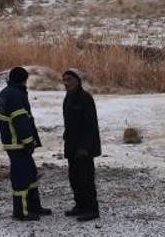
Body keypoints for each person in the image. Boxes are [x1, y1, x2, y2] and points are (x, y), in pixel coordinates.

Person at [0, 66, 52, 221]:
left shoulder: (5, 93)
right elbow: (20, 121)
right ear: (24, 79)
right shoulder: (16, 95)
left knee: (31, 174)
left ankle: (34, 207)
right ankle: (21, 212)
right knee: (21, 178)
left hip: (12, 142)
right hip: (18, 143)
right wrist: (29, 142)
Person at [62, 70, 101, 221]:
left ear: (77, 81)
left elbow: (90, 125)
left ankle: (92, 209)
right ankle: (80, 206)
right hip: (72, 145)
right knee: (74, 178)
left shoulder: (85, 98)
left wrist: (84, 147)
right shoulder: (68, 97)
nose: (66, 83)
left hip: (85, 147)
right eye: (64, 80)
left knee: (86, 179)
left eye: (69, 80)